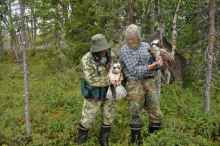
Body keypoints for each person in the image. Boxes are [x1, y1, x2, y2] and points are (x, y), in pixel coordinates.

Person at [119, 24, 163, 145]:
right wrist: (152, 66)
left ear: (139, 37)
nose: (131, 41)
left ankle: (154, 139)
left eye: (134, 38)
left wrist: (158, 61)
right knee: (135, 111)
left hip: (149, 80)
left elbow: (152, 61)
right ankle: (136, 140)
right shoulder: (124, 50)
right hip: (134, 82)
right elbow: (134, 71)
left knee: (156, 110)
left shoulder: (145, 46)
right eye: (129, 39)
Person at [75, 34, 115, 146]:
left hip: (109, 91)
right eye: (101, 49)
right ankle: (81, 140)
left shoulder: (111, 54)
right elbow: (92, 80)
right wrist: (110, 79)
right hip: (93, 92)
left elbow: (116, 66)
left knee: (109, 115)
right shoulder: (86, 59)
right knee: (88, 117)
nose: (103, 51)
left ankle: (103, 140)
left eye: (104, 48)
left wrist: (117, 75)